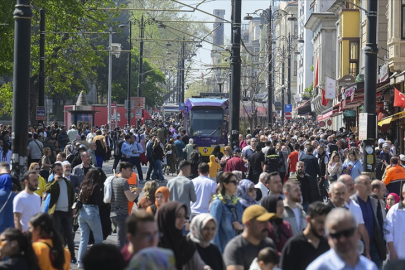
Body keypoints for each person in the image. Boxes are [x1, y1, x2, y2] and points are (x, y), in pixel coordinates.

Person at [306, 208, 378, 270]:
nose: (342, 239)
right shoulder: (317, 268)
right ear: (328, 238)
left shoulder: (369, 267)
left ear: (358, 233)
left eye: (347, 233)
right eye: (336, 235)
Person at [156, 201, 208, 270]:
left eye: (184, 216)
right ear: (168, 217)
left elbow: (199, 266)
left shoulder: (186, 244)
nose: (183, 220)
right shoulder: (154, 244)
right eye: (178, 216)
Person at [280, 202, 332, 270]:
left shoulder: (328, 245)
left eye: (326, 222)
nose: (323, 226)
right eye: (320, 222)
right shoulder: (294, 245)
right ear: (308, 219)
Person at [223, 205, 276, 270]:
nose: (267, 226)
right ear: (248, 224)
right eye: (262, 222)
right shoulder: (235, 248)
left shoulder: (269, 244)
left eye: (268, 221)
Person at [351, 175, 386, 269]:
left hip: (374, 244)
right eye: (365, 183)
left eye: (369, 183)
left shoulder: (373, 201)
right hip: (358, 246)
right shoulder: (352, 203)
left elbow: (378, 222)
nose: (369, 186)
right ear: (356, 186)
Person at [44, 162, 76, 263]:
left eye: (60, 170)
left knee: (69, 235)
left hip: (66, 212)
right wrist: (55, 181)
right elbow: (47, 189)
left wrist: (73, 208)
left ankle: (72, 256)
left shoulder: (67, 182)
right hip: (56, 212)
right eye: (57, 170)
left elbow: (72, 196)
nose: (60, 172)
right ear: (53, 171)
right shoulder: (52, 181)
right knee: (56, 234)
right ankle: (55, 255)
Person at [337, 174, 371, 259]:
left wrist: (367, 252)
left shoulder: (356, 206)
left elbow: (362, 230)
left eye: (353, 184)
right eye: (349, 185)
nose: (353, 187)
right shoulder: (336, 206)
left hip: (357, 253)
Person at [110, 162, 143, 249]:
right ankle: (120, 260)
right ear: (122, 170)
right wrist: (137, 192)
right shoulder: (124, 181)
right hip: (122, 214)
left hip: (114, 214)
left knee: (124, 240)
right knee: (121, 241)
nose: (131, 173)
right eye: (129, 170)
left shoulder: (113, 180)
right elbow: (131, 198)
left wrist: (131, 191)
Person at [76, 168, 104, 268]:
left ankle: (80, 261)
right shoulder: (96, 186)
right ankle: (96, 261)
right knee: (98, 238)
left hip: (82, 211)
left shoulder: (83, 185)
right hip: (92, 211)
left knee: (84, 238)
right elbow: (98, 201)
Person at [384, 184, 405, 260]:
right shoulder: (394, 210)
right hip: (398, 256)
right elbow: (388, 232)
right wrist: (392, 251)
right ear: (403, 194)